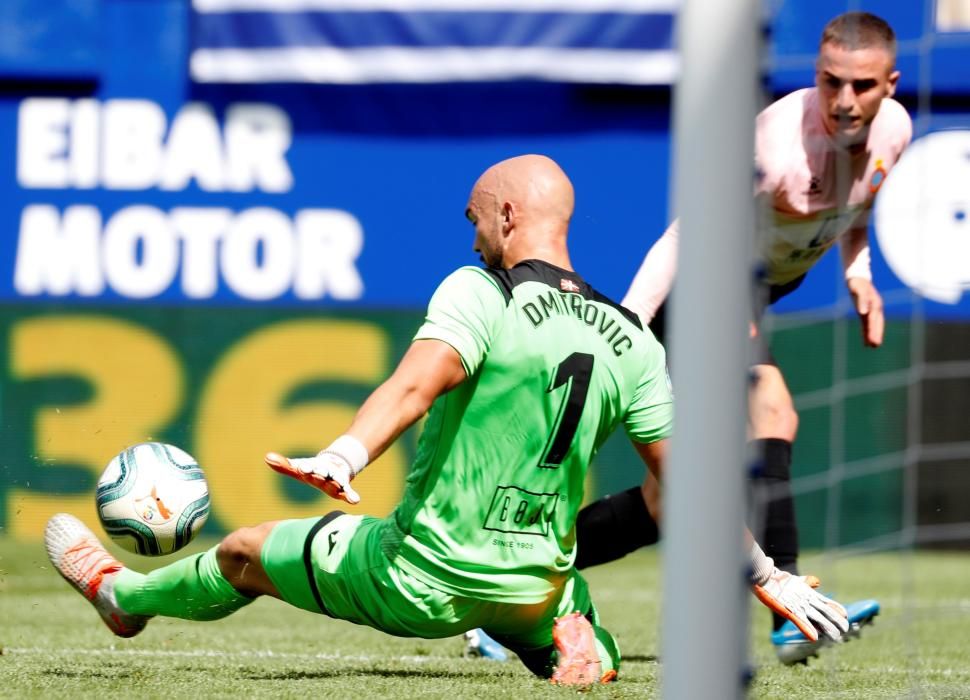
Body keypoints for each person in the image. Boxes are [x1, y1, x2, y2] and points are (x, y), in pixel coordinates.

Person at [45, 155, 847, 687]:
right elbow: (693, 486)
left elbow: (413, 387)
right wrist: (768, 576)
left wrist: (346, 453)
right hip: (533, 581)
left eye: (473, 216)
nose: (471, 233)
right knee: (557, 602)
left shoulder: (482, 291)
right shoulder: (632, 339)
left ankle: (126, 600)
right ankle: (579, 642)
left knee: (244, 551)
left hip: (420, 576)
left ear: (503, 216)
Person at [559, 11, 912, 666]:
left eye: (861, 85)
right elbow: (688, 235)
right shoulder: (777, 147)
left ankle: (509, 594)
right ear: (816, 75)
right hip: (705, 289)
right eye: (830, 81)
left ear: (889, 83)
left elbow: (855, 209)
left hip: (753, 293)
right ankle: (790, 608)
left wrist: (859, 275)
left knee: (669, 500)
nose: (843, 100)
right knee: (772, 409)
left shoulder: (896, 132)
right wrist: (629, 322)